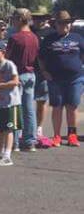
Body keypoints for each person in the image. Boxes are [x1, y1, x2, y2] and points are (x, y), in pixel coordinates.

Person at [39, 10, 83, 147]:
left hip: (75, 78)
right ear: (55, 25)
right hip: (55, 79)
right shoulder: (49, 39)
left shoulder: (77, 38)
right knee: (57, 107)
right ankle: (57, 135)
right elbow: (40, 57)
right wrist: (44, 71)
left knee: (72, 106)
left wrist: (79, 67)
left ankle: (72, 135)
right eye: (61, 23)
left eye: (67, 23)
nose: (64, 26)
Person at [5, 8, 39, 151]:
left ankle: (15, 142)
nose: (12, 21)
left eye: (14, 18)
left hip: (17, 75)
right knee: (29, 108)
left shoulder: (15, 38)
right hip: (31, 74)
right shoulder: (34, 37)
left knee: (15, 109)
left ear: (19, 19)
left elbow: (7, 58)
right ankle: (30, 140)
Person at [31, 10, 55, 147]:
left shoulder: (51, 33)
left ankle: (39, 128)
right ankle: (26, 128)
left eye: (42, 18)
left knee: (41, 101)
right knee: (26, 101)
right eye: (36, 18)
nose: (39, 20)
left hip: (44, 72)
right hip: (28, 69)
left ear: (46, 19)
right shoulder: (29, 30)